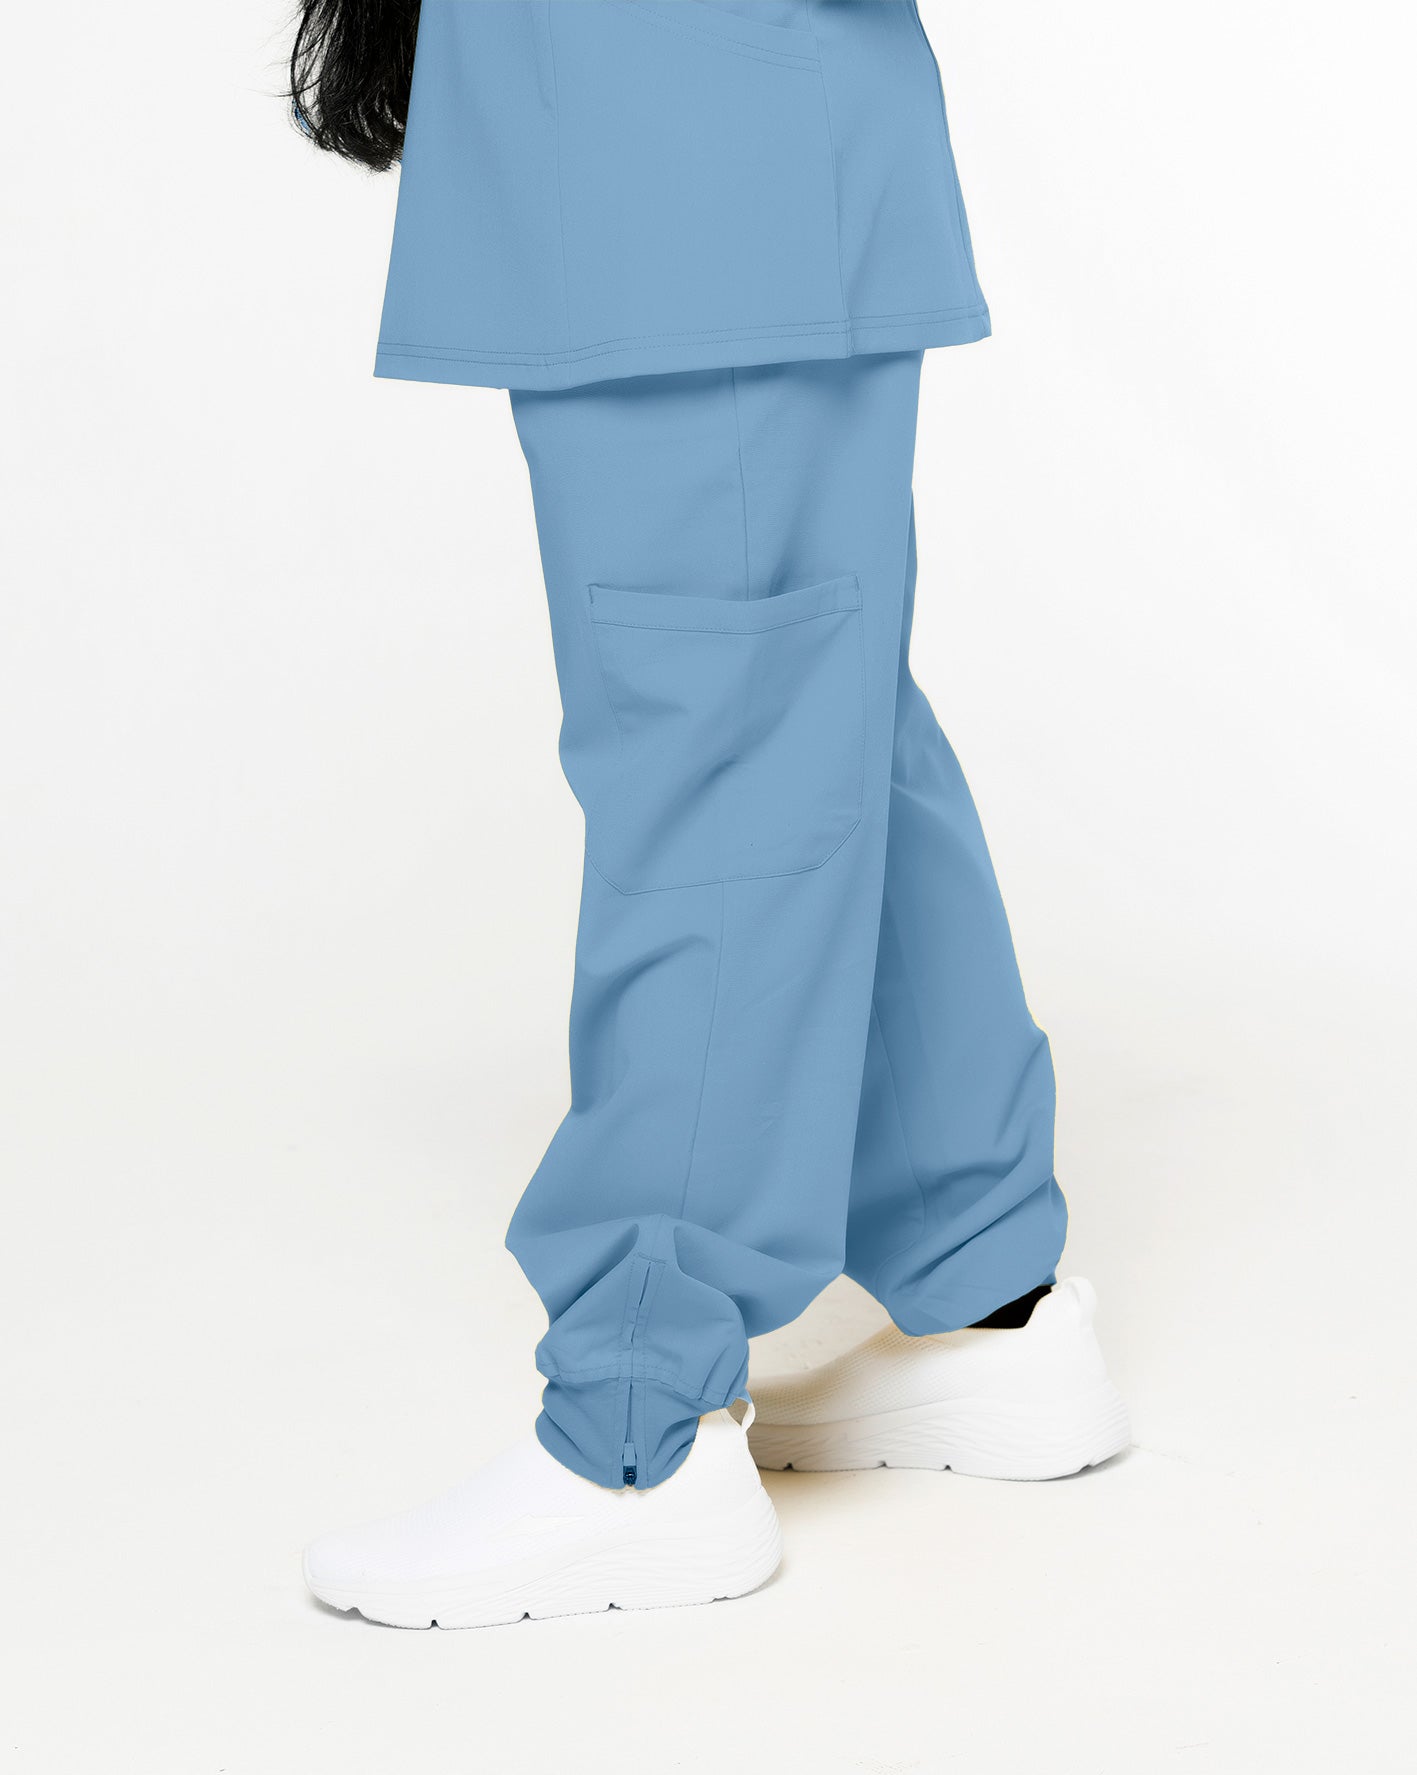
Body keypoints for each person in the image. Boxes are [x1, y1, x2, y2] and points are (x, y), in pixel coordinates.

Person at [292, 0, 1129, 1631]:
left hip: (691, 153)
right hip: (677, 148)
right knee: (815, 721)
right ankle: (984, 1302)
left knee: (732, 743)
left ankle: (636, 1434)